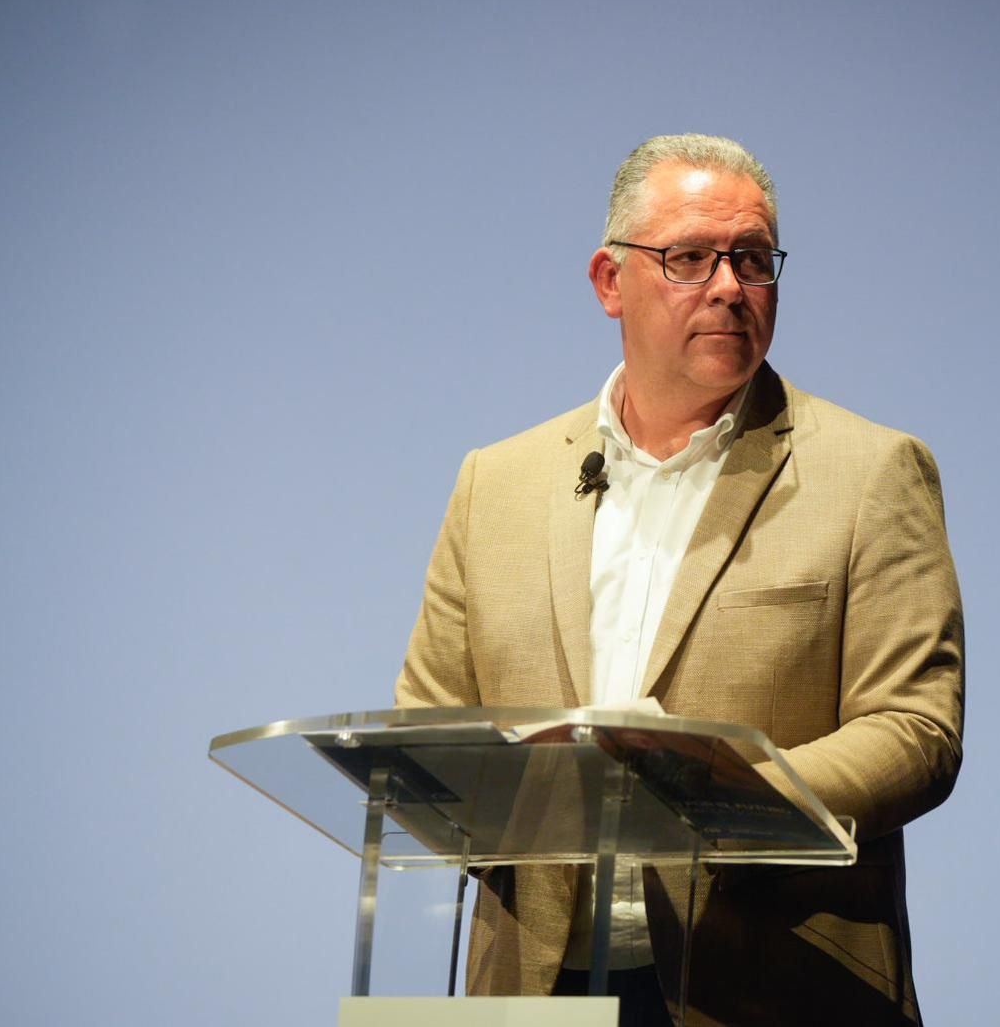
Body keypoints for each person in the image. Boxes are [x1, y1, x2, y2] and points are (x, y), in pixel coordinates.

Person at [395, 133, 964, 1026]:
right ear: (610, 281)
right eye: (691, 258)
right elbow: (430, 732)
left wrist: (732, 797)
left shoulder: (871, 472)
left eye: (752, 259)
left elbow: (916, 730)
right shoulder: (494, 485)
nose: (731, 286)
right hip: (535, 993)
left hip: (766, 985)